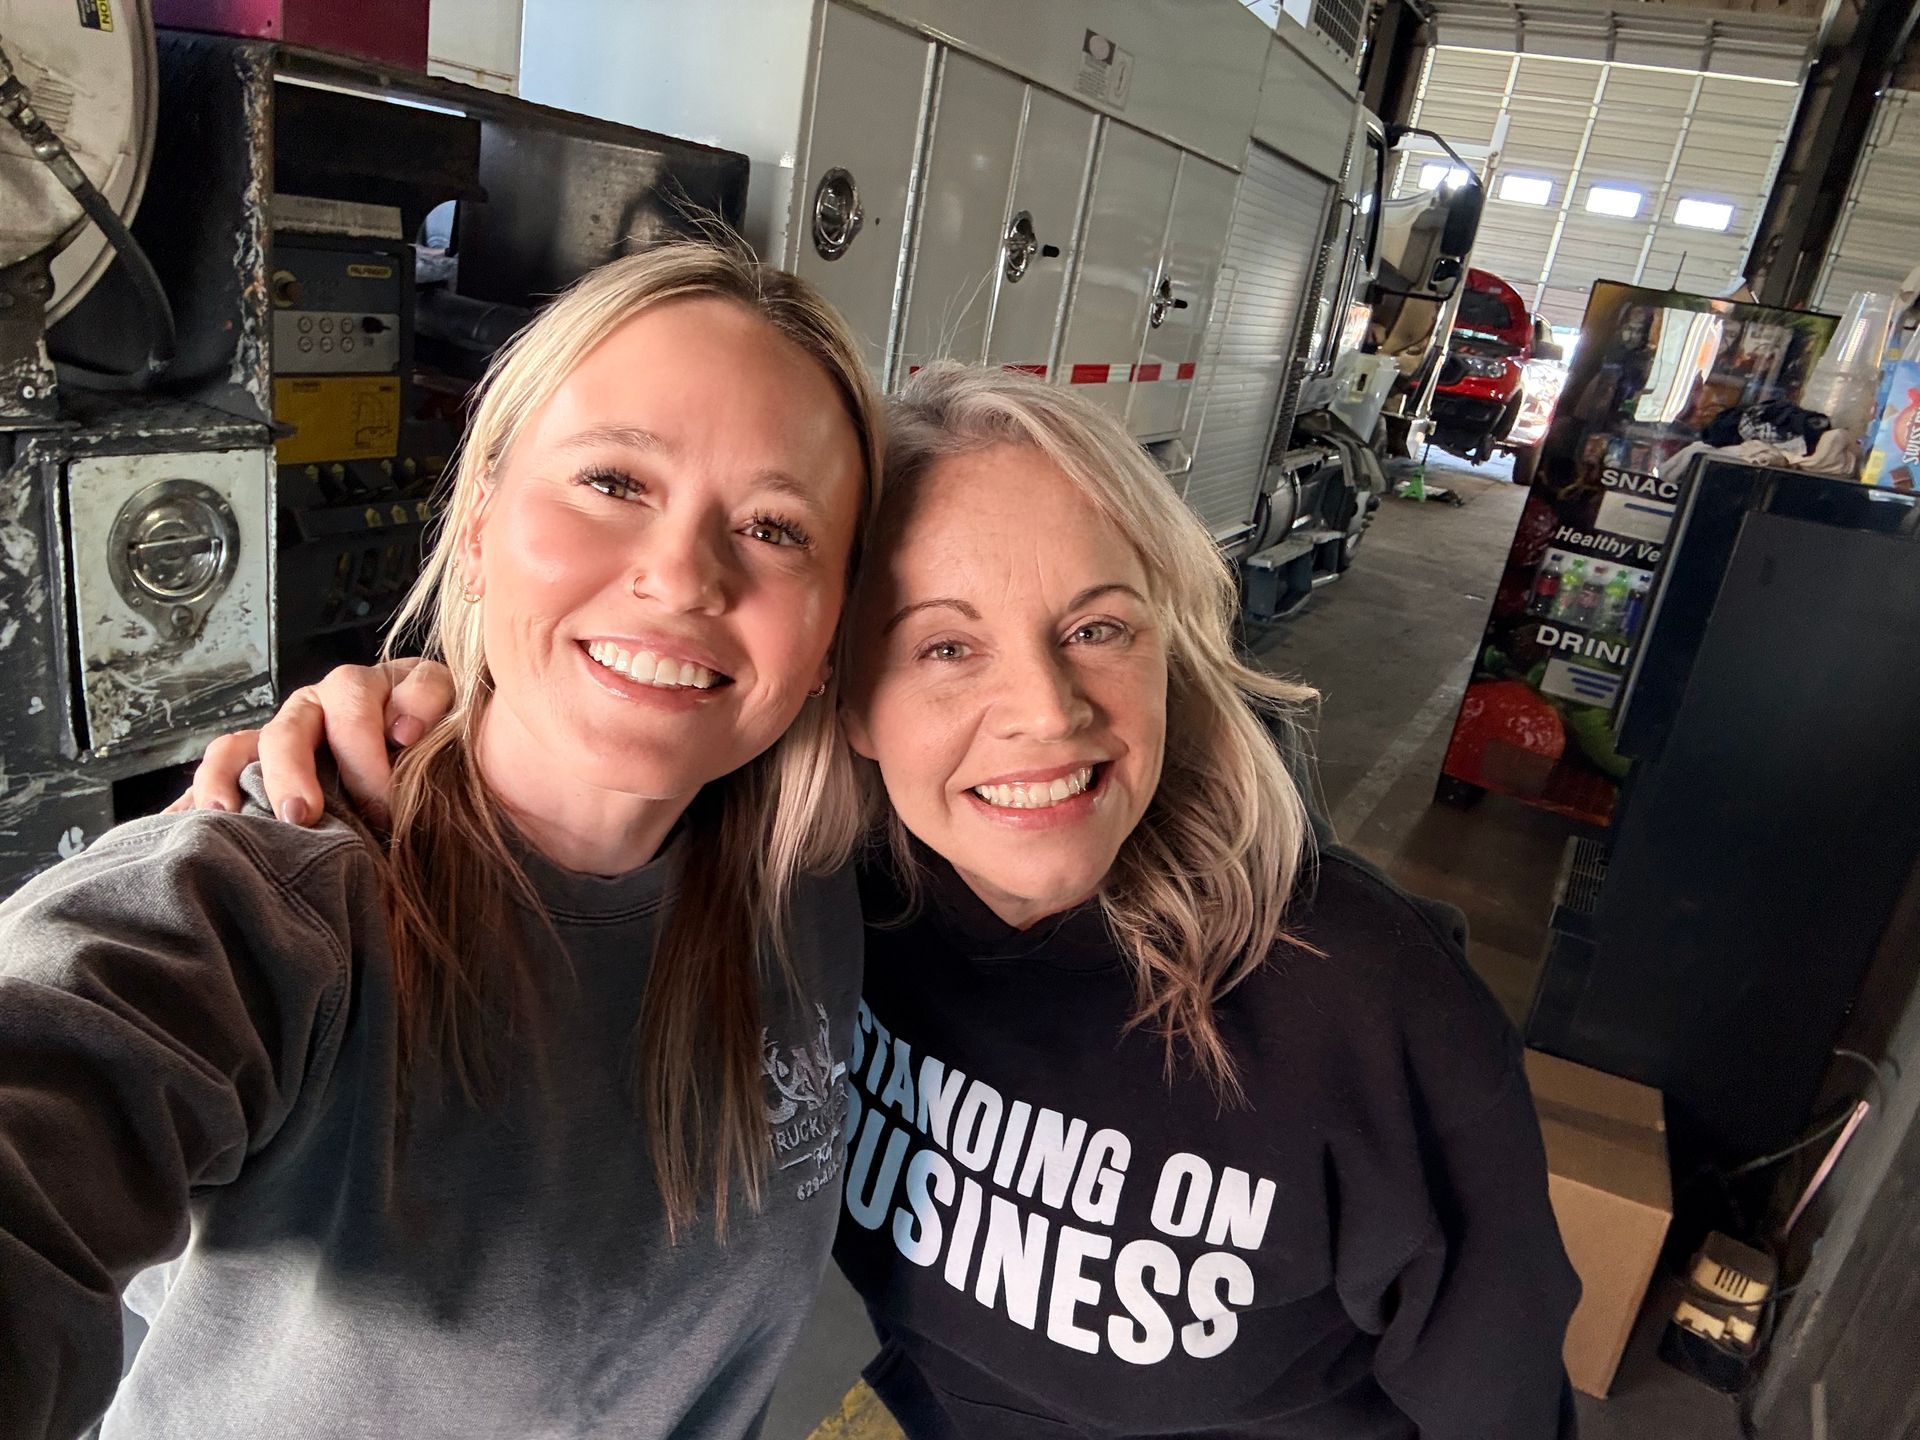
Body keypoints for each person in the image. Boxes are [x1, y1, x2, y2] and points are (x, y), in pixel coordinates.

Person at [184, 364, 1582, 1438]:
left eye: (1099, 626)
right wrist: (403, 723)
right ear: (843, 695)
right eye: (946, 645)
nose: (1046, 711)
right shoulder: (815, 907)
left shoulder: (1366, 1006)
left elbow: (1502, 1408)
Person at [0, 240, 884, 1440]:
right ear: (476, 528)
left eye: (777, 528)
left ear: (833, 628)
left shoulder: (815, 878)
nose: (681, 577)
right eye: (614, 482)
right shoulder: (279, 900)